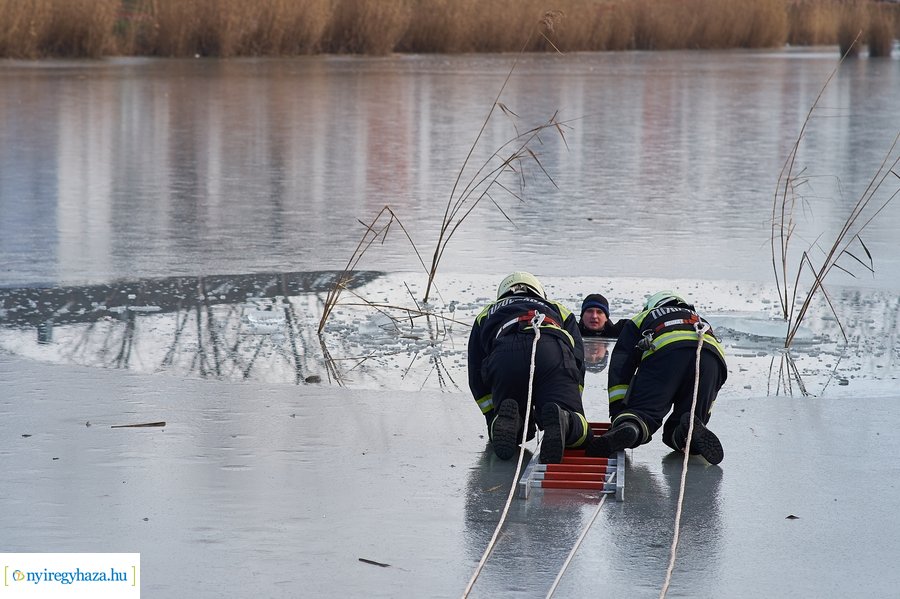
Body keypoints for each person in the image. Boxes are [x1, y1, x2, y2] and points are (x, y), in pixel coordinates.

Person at [586, 290, 727, 464]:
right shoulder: (698, 318)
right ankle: (689, 435)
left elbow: (622, 361)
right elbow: (713, 391)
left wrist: (619, 410)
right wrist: (703, 411)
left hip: (668, 352)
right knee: (686, 425)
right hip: (712, 359)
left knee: (643, 415)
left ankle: (631, 426)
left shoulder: (646, 316)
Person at [468, 272, 591, 464]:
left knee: (517, 434)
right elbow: (577, 358)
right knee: (581, 433)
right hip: (551, 347)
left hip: (505, 354)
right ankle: (564, 419)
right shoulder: (557, 308)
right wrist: (571, 398)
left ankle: (510, 420)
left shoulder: (487, 312)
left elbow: (475, 369)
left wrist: (491, 414)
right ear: (538, 291)